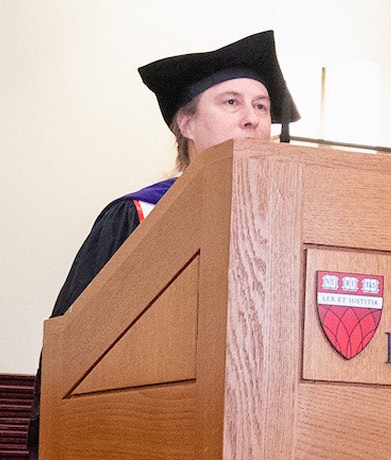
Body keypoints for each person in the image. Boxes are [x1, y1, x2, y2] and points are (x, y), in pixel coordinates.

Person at [48, 31, 298, 322]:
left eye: (261, 106)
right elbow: (71, 340)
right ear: (188, 124)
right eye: (231, 102)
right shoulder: (139, 216)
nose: (252, 118)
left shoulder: (287, 221)